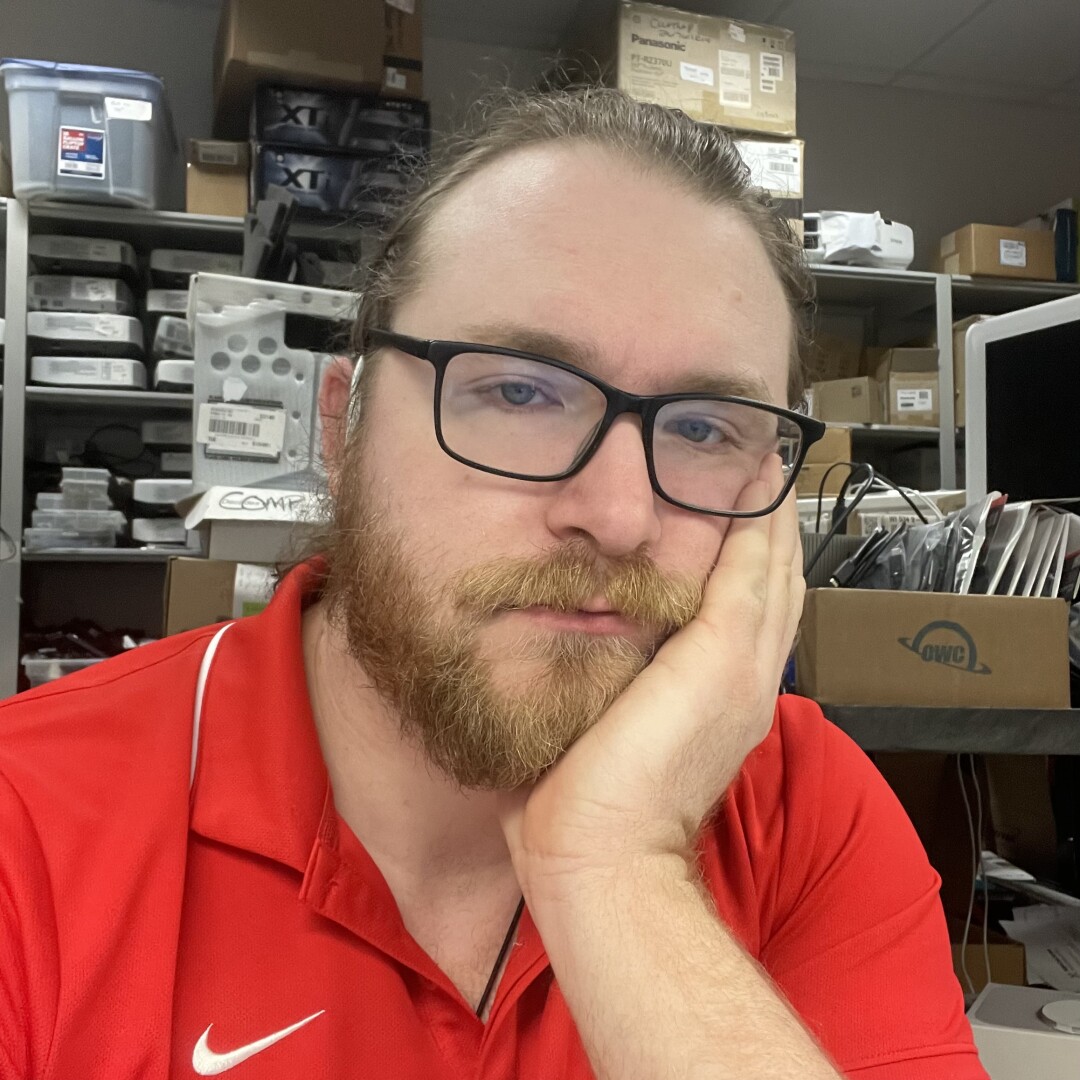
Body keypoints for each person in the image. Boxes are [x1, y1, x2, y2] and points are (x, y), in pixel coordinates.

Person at [0, 88, 988, 1080]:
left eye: (700, 428)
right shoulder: (33, 817)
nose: (617, 514)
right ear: (342, 431)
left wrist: (617, 868)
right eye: (518, 391)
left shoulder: (805, 811)